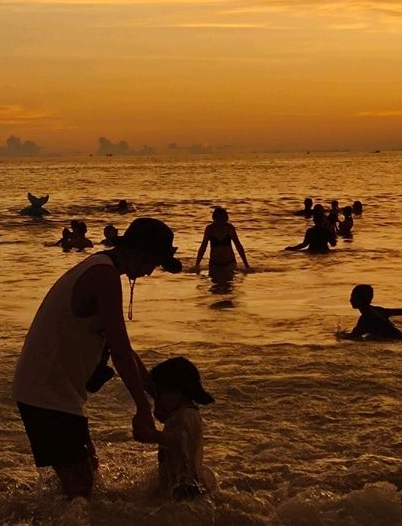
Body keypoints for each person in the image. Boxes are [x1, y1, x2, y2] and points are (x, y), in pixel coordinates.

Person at [12, 217, 182, 500]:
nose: (152, 273)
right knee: (80, 486)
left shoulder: (103, 269)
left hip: (54, 392)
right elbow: (119, 349)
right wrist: (142, 407)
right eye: (155, 263)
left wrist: (154, 393)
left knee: (87, 471)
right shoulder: (103, 277)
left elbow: (124, 349)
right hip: (45, 393)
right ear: (141, 254)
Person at [150, 357, 216, 500]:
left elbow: (178, 439)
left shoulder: (181, 417)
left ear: (176, 393)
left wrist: (152, 436)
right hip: (190, 487)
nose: (156, 401)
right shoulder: (191, 413)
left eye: (159, 394)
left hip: (184, 489)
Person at [337, 284, 402, 341]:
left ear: (358, 299)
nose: (350, 299)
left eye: (353, 296)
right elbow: (397, 311)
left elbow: (352, 337)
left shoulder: (366, 318)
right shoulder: (376, 310)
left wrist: (338, 336)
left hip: (396, 342)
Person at [195, 207, 250, 281]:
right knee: (214, 287)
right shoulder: (209, 229)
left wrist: (246, 265)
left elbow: (238, 246)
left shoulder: (230, 228)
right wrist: (197, 265)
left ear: (225, 218)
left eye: (222, 218)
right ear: (214, 218)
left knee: (228, 286)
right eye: (218, 218)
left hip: (229, 263)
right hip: (214, 264)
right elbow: (203, 247)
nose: (220, 221)